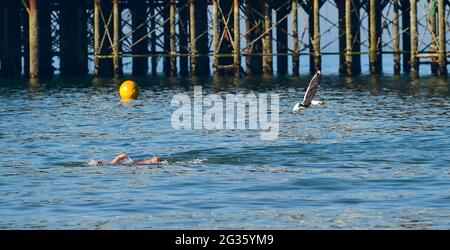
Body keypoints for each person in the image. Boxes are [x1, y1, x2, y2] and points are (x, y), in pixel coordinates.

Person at [87, 153, 161, 166]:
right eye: (98, 162)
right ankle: (153, 161)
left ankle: (153, 161)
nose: (100, 160)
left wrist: (119, 157)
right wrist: (119, 157)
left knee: (136, 164)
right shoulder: (107, 165)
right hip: (129, 164)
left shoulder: (108, 165)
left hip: (128, 164)